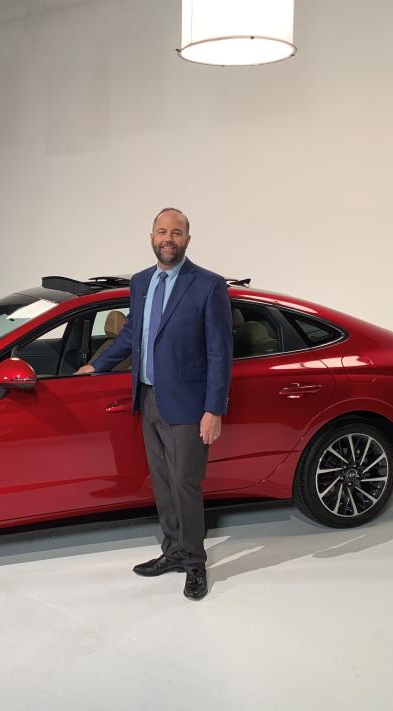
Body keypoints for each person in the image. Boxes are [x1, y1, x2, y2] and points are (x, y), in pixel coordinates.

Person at [76, 208, 232, 600]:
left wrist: (214, 409)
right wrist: (97, 365)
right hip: (147, 399)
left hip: (188, 405)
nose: (169, 238)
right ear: (151, 236)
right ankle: (173, 551)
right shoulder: (142, 282)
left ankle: (195, 564)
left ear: (187, 240)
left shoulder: (208, 285)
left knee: (186, 484)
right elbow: (132, 334)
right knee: (163, 483)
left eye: (176, 233)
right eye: (162, 231)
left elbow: (219, 351)